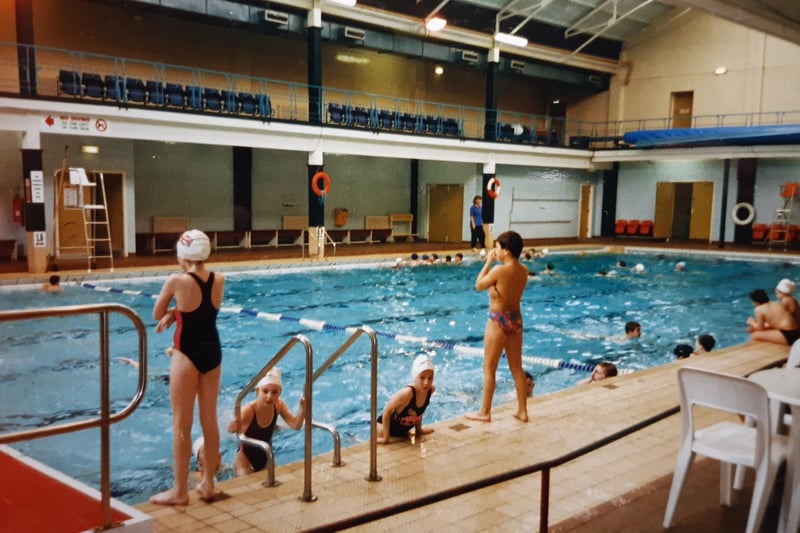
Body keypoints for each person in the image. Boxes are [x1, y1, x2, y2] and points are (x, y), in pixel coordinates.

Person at [149, 229, 224, 505]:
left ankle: (180, 491)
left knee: (182, 423)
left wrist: (171, 312)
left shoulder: (176, 280)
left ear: (183, 254)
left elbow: (156, 313)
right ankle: (208, 483)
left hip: (186, 354)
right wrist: (177, 312)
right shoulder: (219, 279)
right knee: (209, 420)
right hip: (213, 352)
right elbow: (204, 311)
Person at [466, 230, 529, 423]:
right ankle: (523, 411)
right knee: (517, 369)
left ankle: (485, 412)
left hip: (498, 321)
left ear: (507, 251)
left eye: (497, 247)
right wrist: (493, 287)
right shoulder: (523, 271)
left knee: (489, 368)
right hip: (516, 320)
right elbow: (505, 288)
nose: (495, 251)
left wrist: (488, 262)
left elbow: (478, 285)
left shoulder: (499, 270)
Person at [227, 368, 305, 476]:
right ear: (257, 391)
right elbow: (231, 429)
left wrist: (303, 408)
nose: (269, 396)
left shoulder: (279, 405)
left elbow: (296, 425)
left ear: (280, 392)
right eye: (265, 391)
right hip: (245, 459)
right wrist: (232, 427)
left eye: (274, 392)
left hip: (266, 458)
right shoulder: (249, 410)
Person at [376, 355, 436, 444]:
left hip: (401, 433)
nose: (426, 383)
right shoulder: (408, 393)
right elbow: (386, 410)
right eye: (422, 378)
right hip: (382, 430)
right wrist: (386, 438)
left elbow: (420, 411)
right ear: (415, 376)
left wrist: (419, 430)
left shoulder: (430, 390)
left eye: (430, 378)